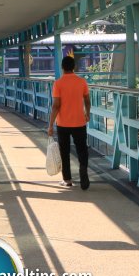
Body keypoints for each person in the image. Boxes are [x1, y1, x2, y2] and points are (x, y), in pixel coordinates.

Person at [47, 55, 91, 190]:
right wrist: (87, 114)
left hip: (63, 124)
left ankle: (67, 180)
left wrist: (50, 125)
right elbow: (87, 100)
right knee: (82, 150)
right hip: (79, 122)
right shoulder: (81, 82)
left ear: (62, 67)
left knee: (64, 152)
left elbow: (56, 106)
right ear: (74, 67)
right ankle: (83, 169)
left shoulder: (58, 83)